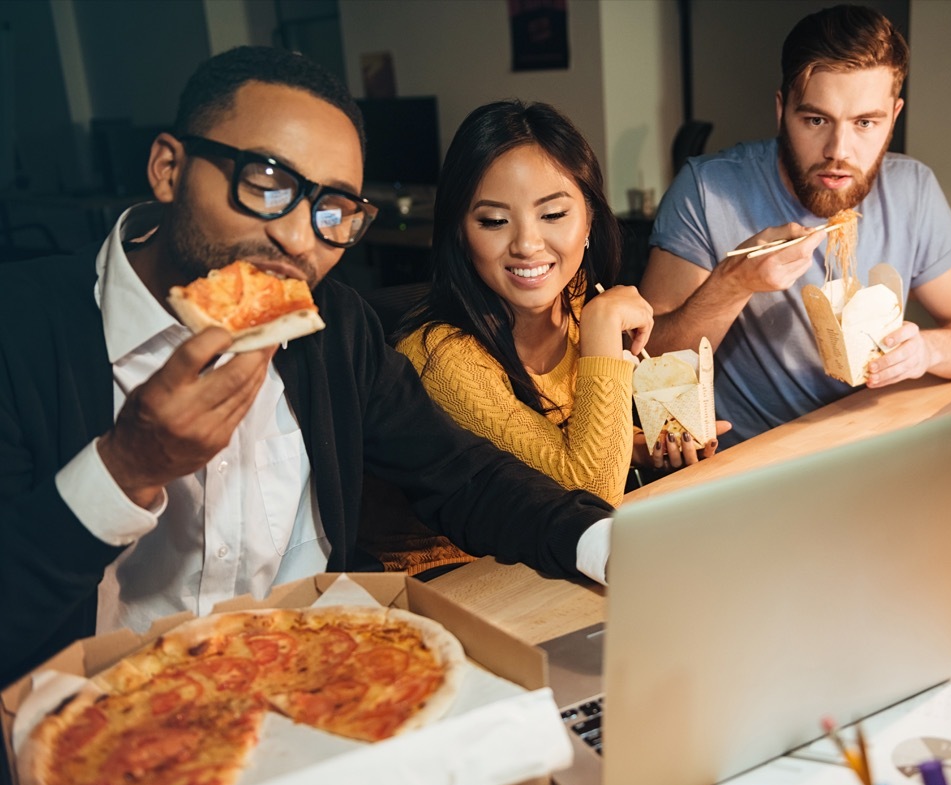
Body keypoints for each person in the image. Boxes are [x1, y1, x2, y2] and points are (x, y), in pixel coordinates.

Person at [0, 47, 616, 694]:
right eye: (267, 184)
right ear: (168, 169)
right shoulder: (20, 332)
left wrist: (605, 544)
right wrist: (127, 467)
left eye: (333, 210)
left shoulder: (335, 326)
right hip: (102, 723)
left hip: (313, 689)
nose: (299, 240)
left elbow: (462, 475)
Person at [639, 4, 951, 447]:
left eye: (865, 123)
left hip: (877, 445)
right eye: (816, 120)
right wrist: (733, 282)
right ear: (782, 110)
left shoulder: (913, 189)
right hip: (758, 462)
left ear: (894, 116)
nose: (838, 150)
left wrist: (927, 350)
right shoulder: (707, 189)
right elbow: (652, 366)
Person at [387, 101, 727, 576]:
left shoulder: (577, 299)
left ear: (588, 219)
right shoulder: (440, 355)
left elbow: (547, 457)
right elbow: (586, 496)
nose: (527, 243)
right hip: (445, 582)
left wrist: (633, 446)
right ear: (460, 234)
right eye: (493, 221)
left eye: (552, 214)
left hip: (539, 566)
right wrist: (602, 333)